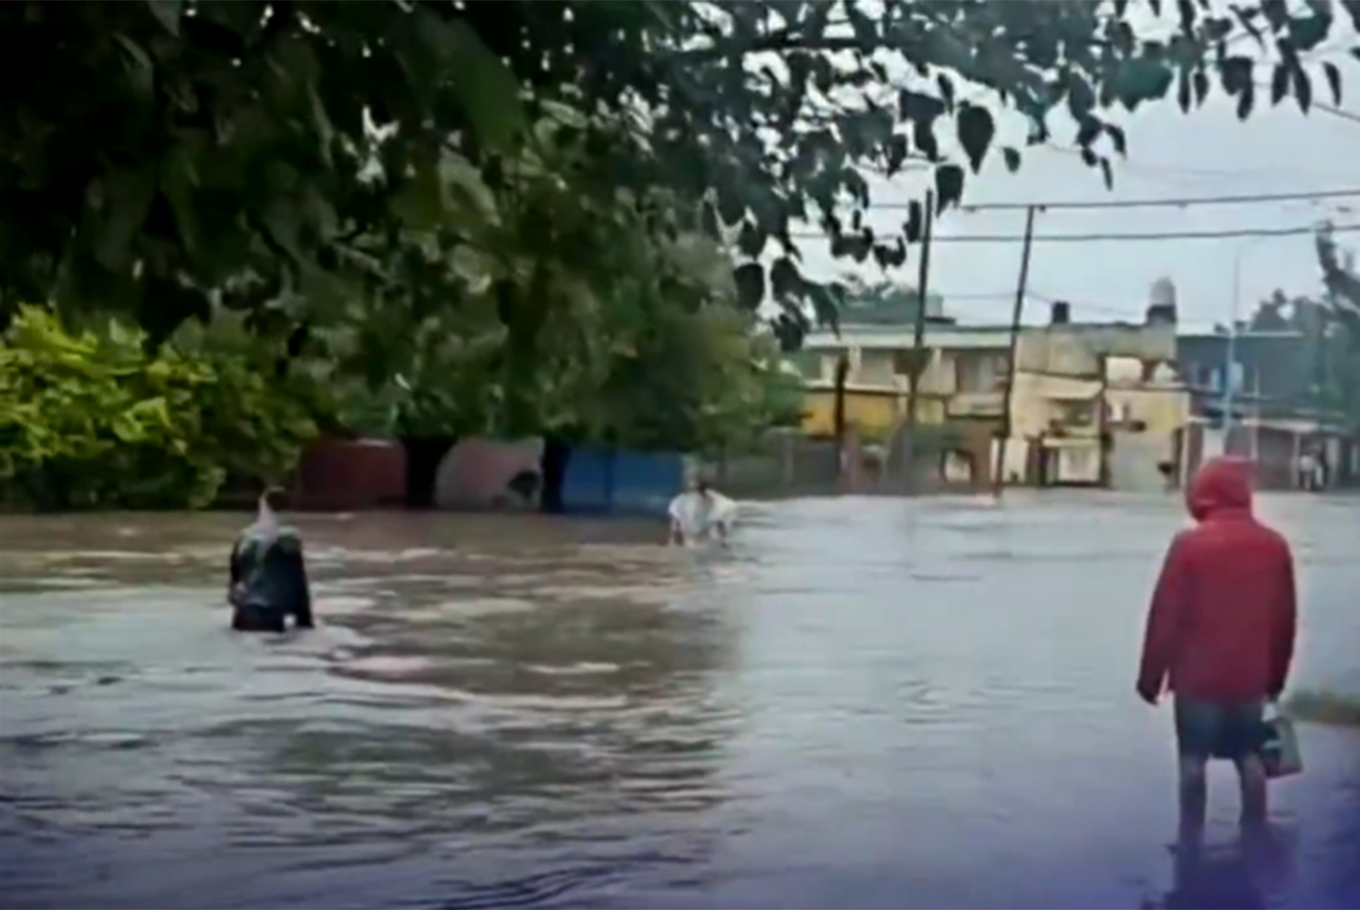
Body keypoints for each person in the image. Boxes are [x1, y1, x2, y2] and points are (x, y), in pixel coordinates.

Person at [1137, 456, 1297, 846]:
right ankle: (1254, 834)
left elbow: (1165, 615)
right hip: (1250, 677)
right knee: (1248, 756)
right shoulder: (1274, 546)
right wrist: (1275, 678)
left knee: (1193, 761)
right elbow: (1284, 619)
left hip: (1197, 679)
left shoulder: (1189, 545)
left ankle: (1189, 840)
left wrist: (1150, 678)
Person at [228, 487, 315, 632]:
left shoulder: (244, 537)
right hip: (271, 614)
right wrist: (305, 622)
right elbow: (299, 584)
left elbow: (234, 583)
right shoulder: (290, 540)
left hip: (243, 614)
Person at [667, 478, 736, 546]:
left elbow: (720, 519)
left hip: (701, 534)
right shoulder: (684, 500)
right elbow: (676, 516)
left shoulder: (713, 500)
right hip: (697, 533)